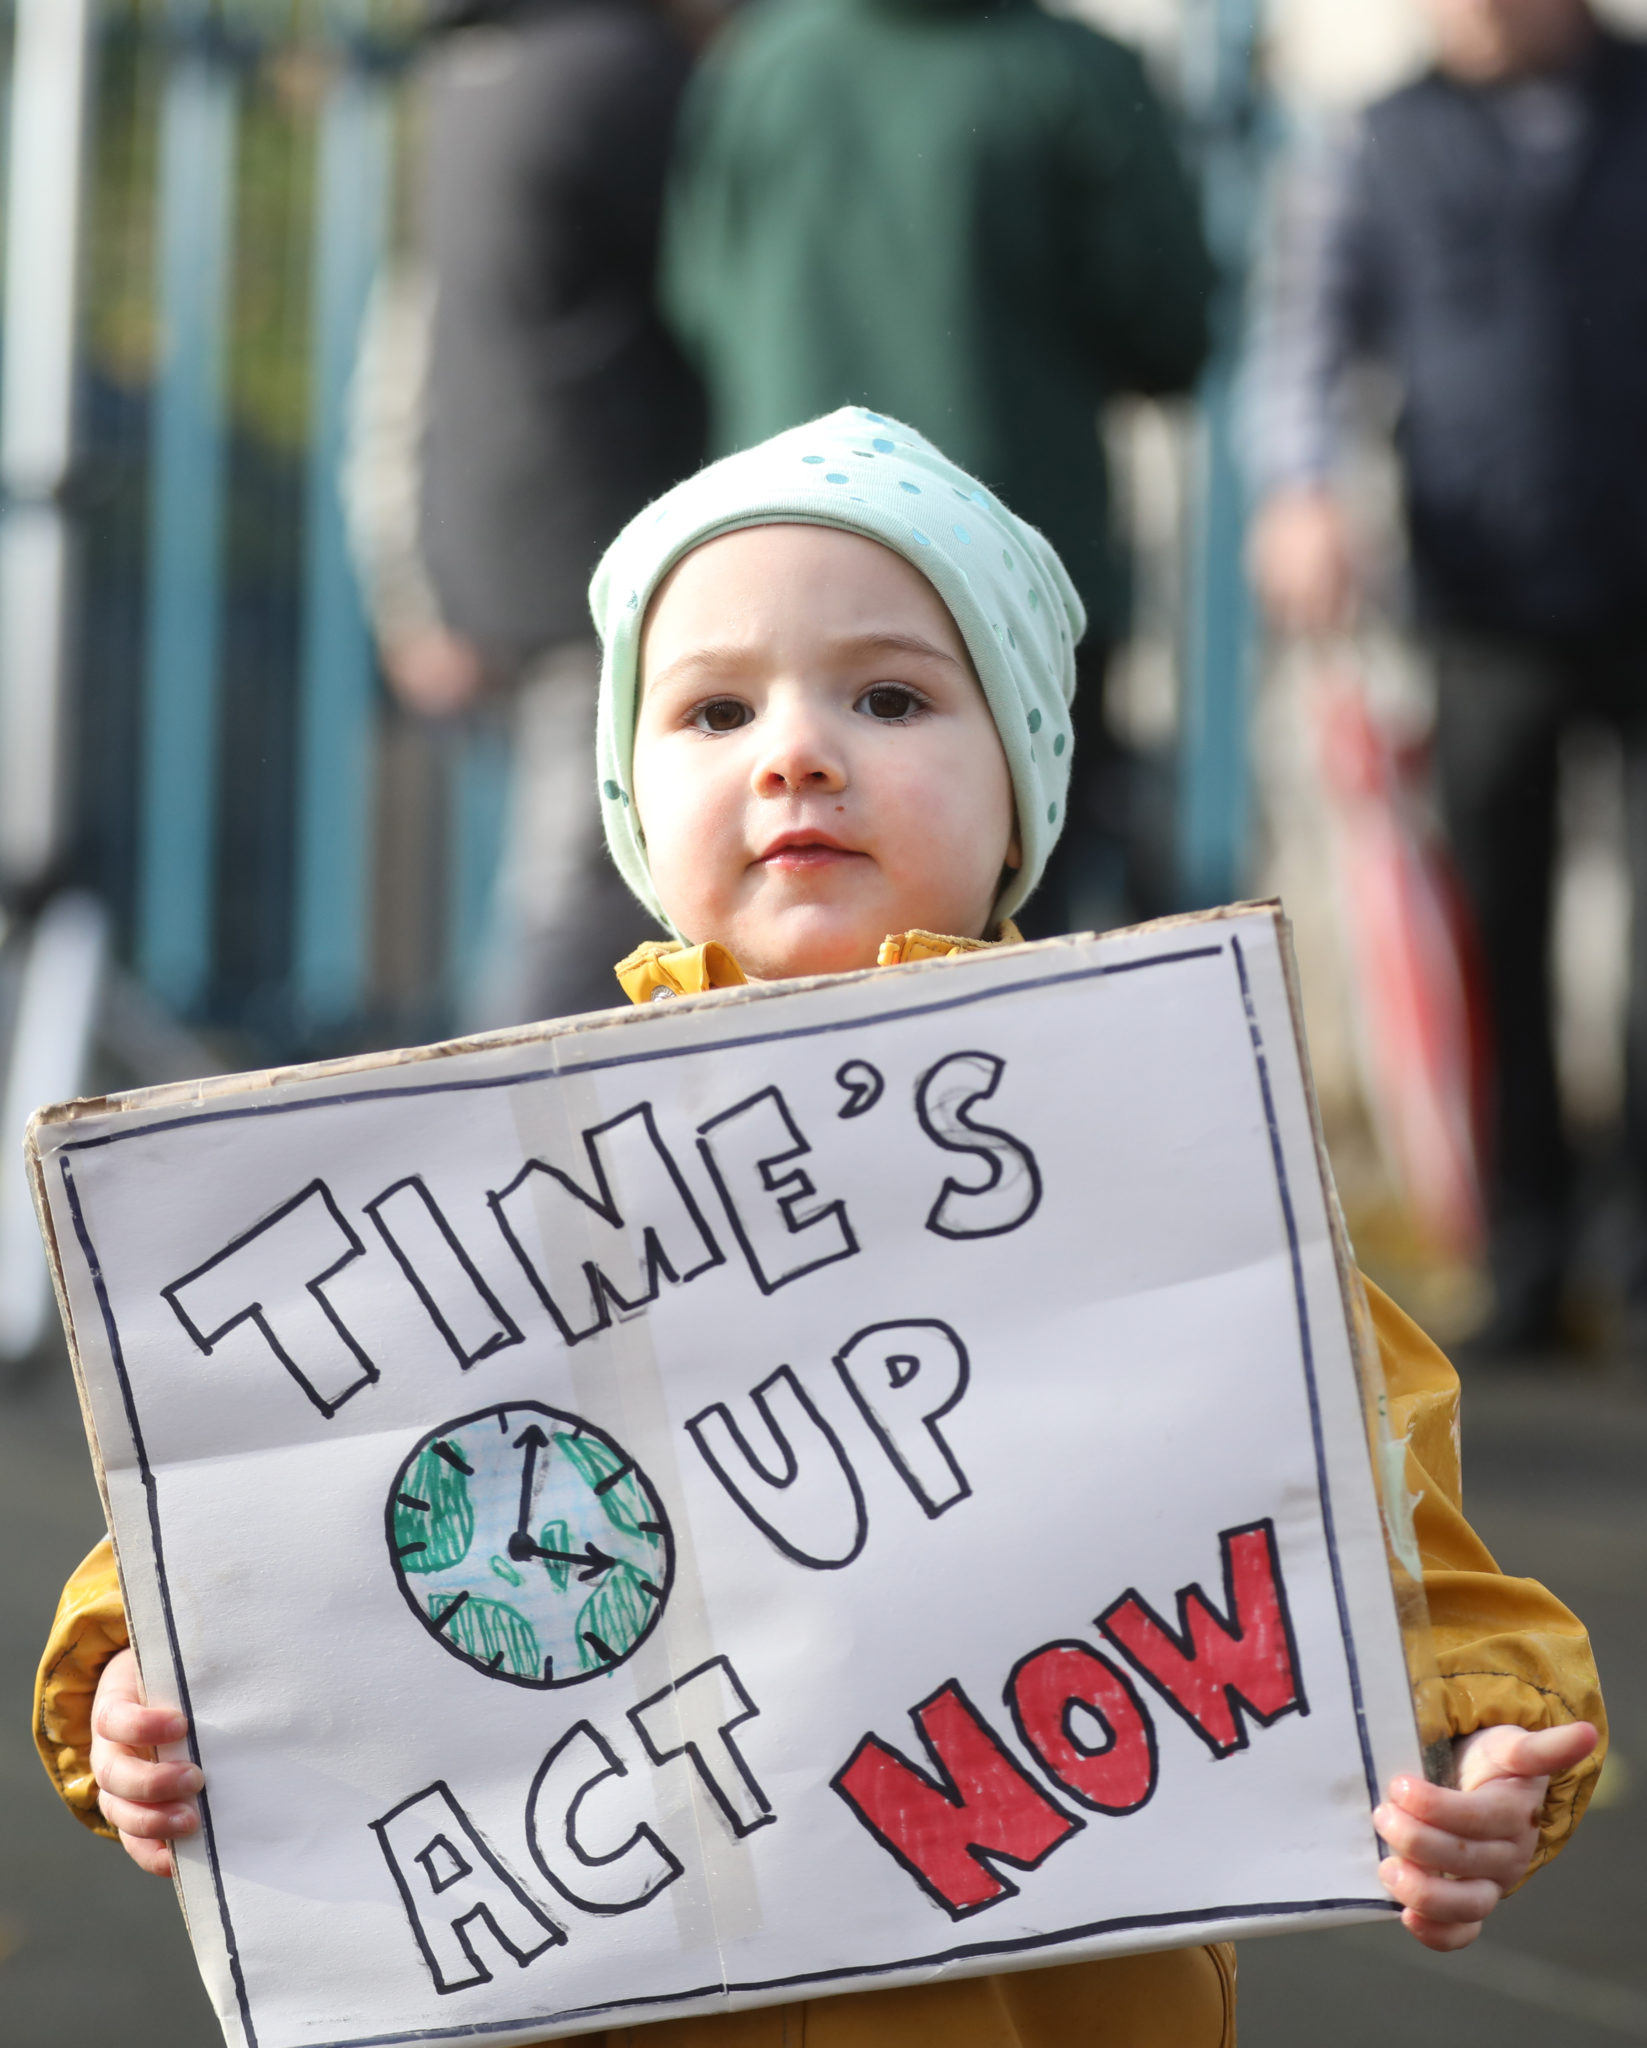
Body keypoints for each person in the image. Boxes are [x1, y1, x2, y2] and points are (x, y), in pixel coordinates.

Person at [39, 412, 1603, 2048]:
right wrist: (139, 1676)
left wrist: (1467, 1756)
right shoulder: (496, 1209)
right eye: (714, 708)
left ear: (1023, 792)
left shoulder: (1168, 1163)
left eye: (891, 695)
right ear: (630, 806)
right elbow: (257, 1504)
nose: (794, 749)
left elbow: (1396, 1564)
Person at [1245, 0, 1647, 1352]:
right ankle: (1522, 1253)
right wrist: (1296, 490)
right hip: (1478, 598)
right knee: (1498, 932)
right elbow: (1303, 339)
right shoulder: (1375, 141)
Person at [660, 0, 1215, 936]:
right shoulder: (1075, 74)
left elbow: (696, 301)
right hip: (1015, 577)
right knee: (1026, 938)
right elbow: (1171, 329)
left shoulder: (758, 67)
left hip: (774, 572)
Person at [362, 0, 707, 1026]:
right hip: (602, 549)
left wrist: (404, 578)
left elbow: (409, 348)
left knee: (559, 882)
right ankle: (515, 1155)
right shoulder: (630, 71)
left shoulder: (467, 75)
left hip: (490, 548)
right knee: (584, 900)